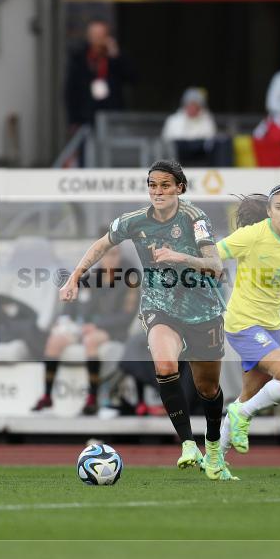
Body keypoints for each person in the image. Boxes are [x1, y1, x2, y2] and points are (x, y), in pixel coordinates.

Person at [58, 159, 235, 481]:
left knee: (207, 388)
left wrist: (179, 256)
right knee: (165, 366)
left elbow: (216, 266)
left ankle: (212, 451)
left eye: (165, 185)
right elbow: (102, 244)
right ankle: (187, 444)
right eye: (153, 185)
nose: (158, 191)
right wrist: (74, 277)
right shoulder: (134, 221)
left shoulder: (195, 218)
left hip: (202, 309)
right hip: (159, 306)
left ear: (180, 187)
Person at [214, 186, 280, 458]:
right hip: (243, 323)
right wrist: (177, 258)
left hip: (272, 325)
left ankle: (214, 458)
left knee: (248, 395)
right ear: (269, 212)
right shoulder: (250, 236)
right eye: (279, 207)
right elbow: (212, 254)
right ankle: (240, 414)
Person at [33, 243, 138, 415]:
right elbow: (73, 302)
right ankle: (47, 396)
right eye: (106, 254)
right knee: (54, 341)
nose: (111, 258)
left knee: (91, 340)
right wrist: (64, 321)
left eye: (115, 254)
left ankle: (92, 397)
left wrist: (97, 325)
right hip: (84, 327)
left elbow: (127, 316)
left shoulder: (130, 279)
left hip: (112, 330)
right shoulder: (91, 277)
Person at [64, 19, 134, 131]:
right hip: (86, 115)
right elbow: (70, 90)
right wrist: (73, 119)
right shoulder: (79, 58)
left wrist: (116, 57)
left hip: (112, 114)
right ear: (89, 36)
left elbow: (132, 78)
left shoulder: (115, 57)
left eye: (101, 35)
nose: (97, 39)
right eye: (95, 35)